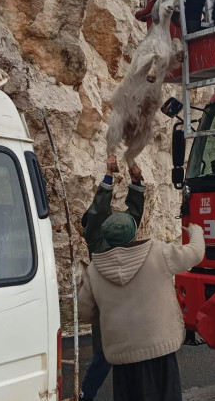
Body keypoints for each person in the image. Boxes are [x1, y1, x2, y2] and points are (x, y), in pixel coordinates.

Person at [77, 158, 206, 401]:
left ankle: (85, 395)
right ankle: (86, 393)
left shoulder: (96, 262)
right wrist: (110, 176)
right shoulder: (154, 252)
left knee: (109, 365)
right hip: (156, 345)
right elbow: (107, 212)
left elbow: (85, 310)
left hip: (120, 340)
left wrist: (107, 314)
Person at [78, 155, 146, 401]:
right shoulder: (126, 242)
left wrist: (109, 175)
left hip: (105, 309)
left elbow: (98, 210)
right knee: (132, 355)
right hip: (128, 308)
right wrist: (135, 182)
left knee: (103, 356)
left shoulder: (97, 242)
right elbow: (133, 214)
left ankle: (85, 394)